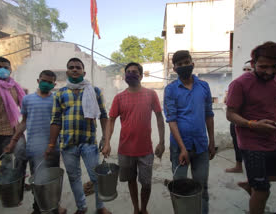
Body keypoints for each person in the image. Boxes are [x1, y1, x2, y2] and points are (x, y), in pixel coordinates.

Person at [226, 41, 276, 214]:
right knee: (263, 190)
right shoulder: (240, 84)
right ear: (253, 62)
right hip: (250, 143)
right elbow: (230, 114)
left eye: (275, 66)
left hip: (273, 138)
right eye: (264, 67)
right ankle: (256, 191)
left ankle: (251, 184)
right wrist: (252, 124)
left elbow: (273, 107)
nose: (269, 72)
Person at [45, 58, 111, 214]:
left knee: (96, 177)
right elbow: (55, 121)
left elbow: (103, 116)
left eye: (78, 67)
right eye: (71, 67)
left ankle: (100, 207)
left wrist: (106, 140)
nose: (75, 69)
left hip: (89, 142)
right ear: (67, 72)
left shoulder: (94, 91)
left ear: (84, 72)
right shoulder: (60, 94)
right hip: (68, 144)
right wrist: (51, 145)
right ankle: (82, 207)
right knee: (74, 178)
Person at [102, 62, 165, 214]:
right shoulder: (119, 98)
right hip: (125, 150)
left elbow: (159, 118)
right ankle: (136, 209)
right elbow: (111, 120)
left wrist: (162, 142)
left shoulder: (151, 94)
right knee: (131, 181)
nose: (131, 74)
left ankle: (144, 208)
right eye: (128, 71)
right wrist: (107, 143)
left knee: (146, 184)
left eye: (135, 72)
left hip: (145, 150)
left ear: (141, 76)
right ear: (124, 76)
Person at [4, 70, 66, 214]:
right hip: (33, 148)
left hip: (53, 147)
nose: (46, 84)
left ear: (54, 84)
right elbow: (24, 122)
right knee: (36, 179)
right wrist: (14, 141)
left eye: (50, 82)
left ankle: (55, 206)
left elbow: (60, 123)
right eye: (44, 80)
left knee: (53, 179)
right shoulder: (27, 99)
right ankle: (37, 207)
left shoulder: (56, 99)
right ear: (38, 81)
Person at [163, 50, 215, 214]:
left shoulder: (204, 86)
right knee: (180, 189)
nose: (184, 66)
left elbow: (209, 115)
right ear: (174, 68)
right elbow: (171, 120)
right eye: (180, 64)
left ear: (192, 64)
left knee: (202, 187)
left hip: (201, 146)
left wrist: (212, 142)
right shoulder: (170, 90)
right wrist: (183, 148)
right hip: (179, 148)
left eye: (186, 63)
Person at [225, 61, 253, 173]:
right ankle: (238, 166)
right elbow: (229, 104)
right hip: (236, 121)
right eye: (244, 69)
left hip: (252, 122)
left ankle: (252, 169)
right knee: (237, 144)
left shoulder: (258, 87)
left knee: (251, 147)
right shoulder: (237, 84)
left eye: (249, 69)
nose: (246, 72)